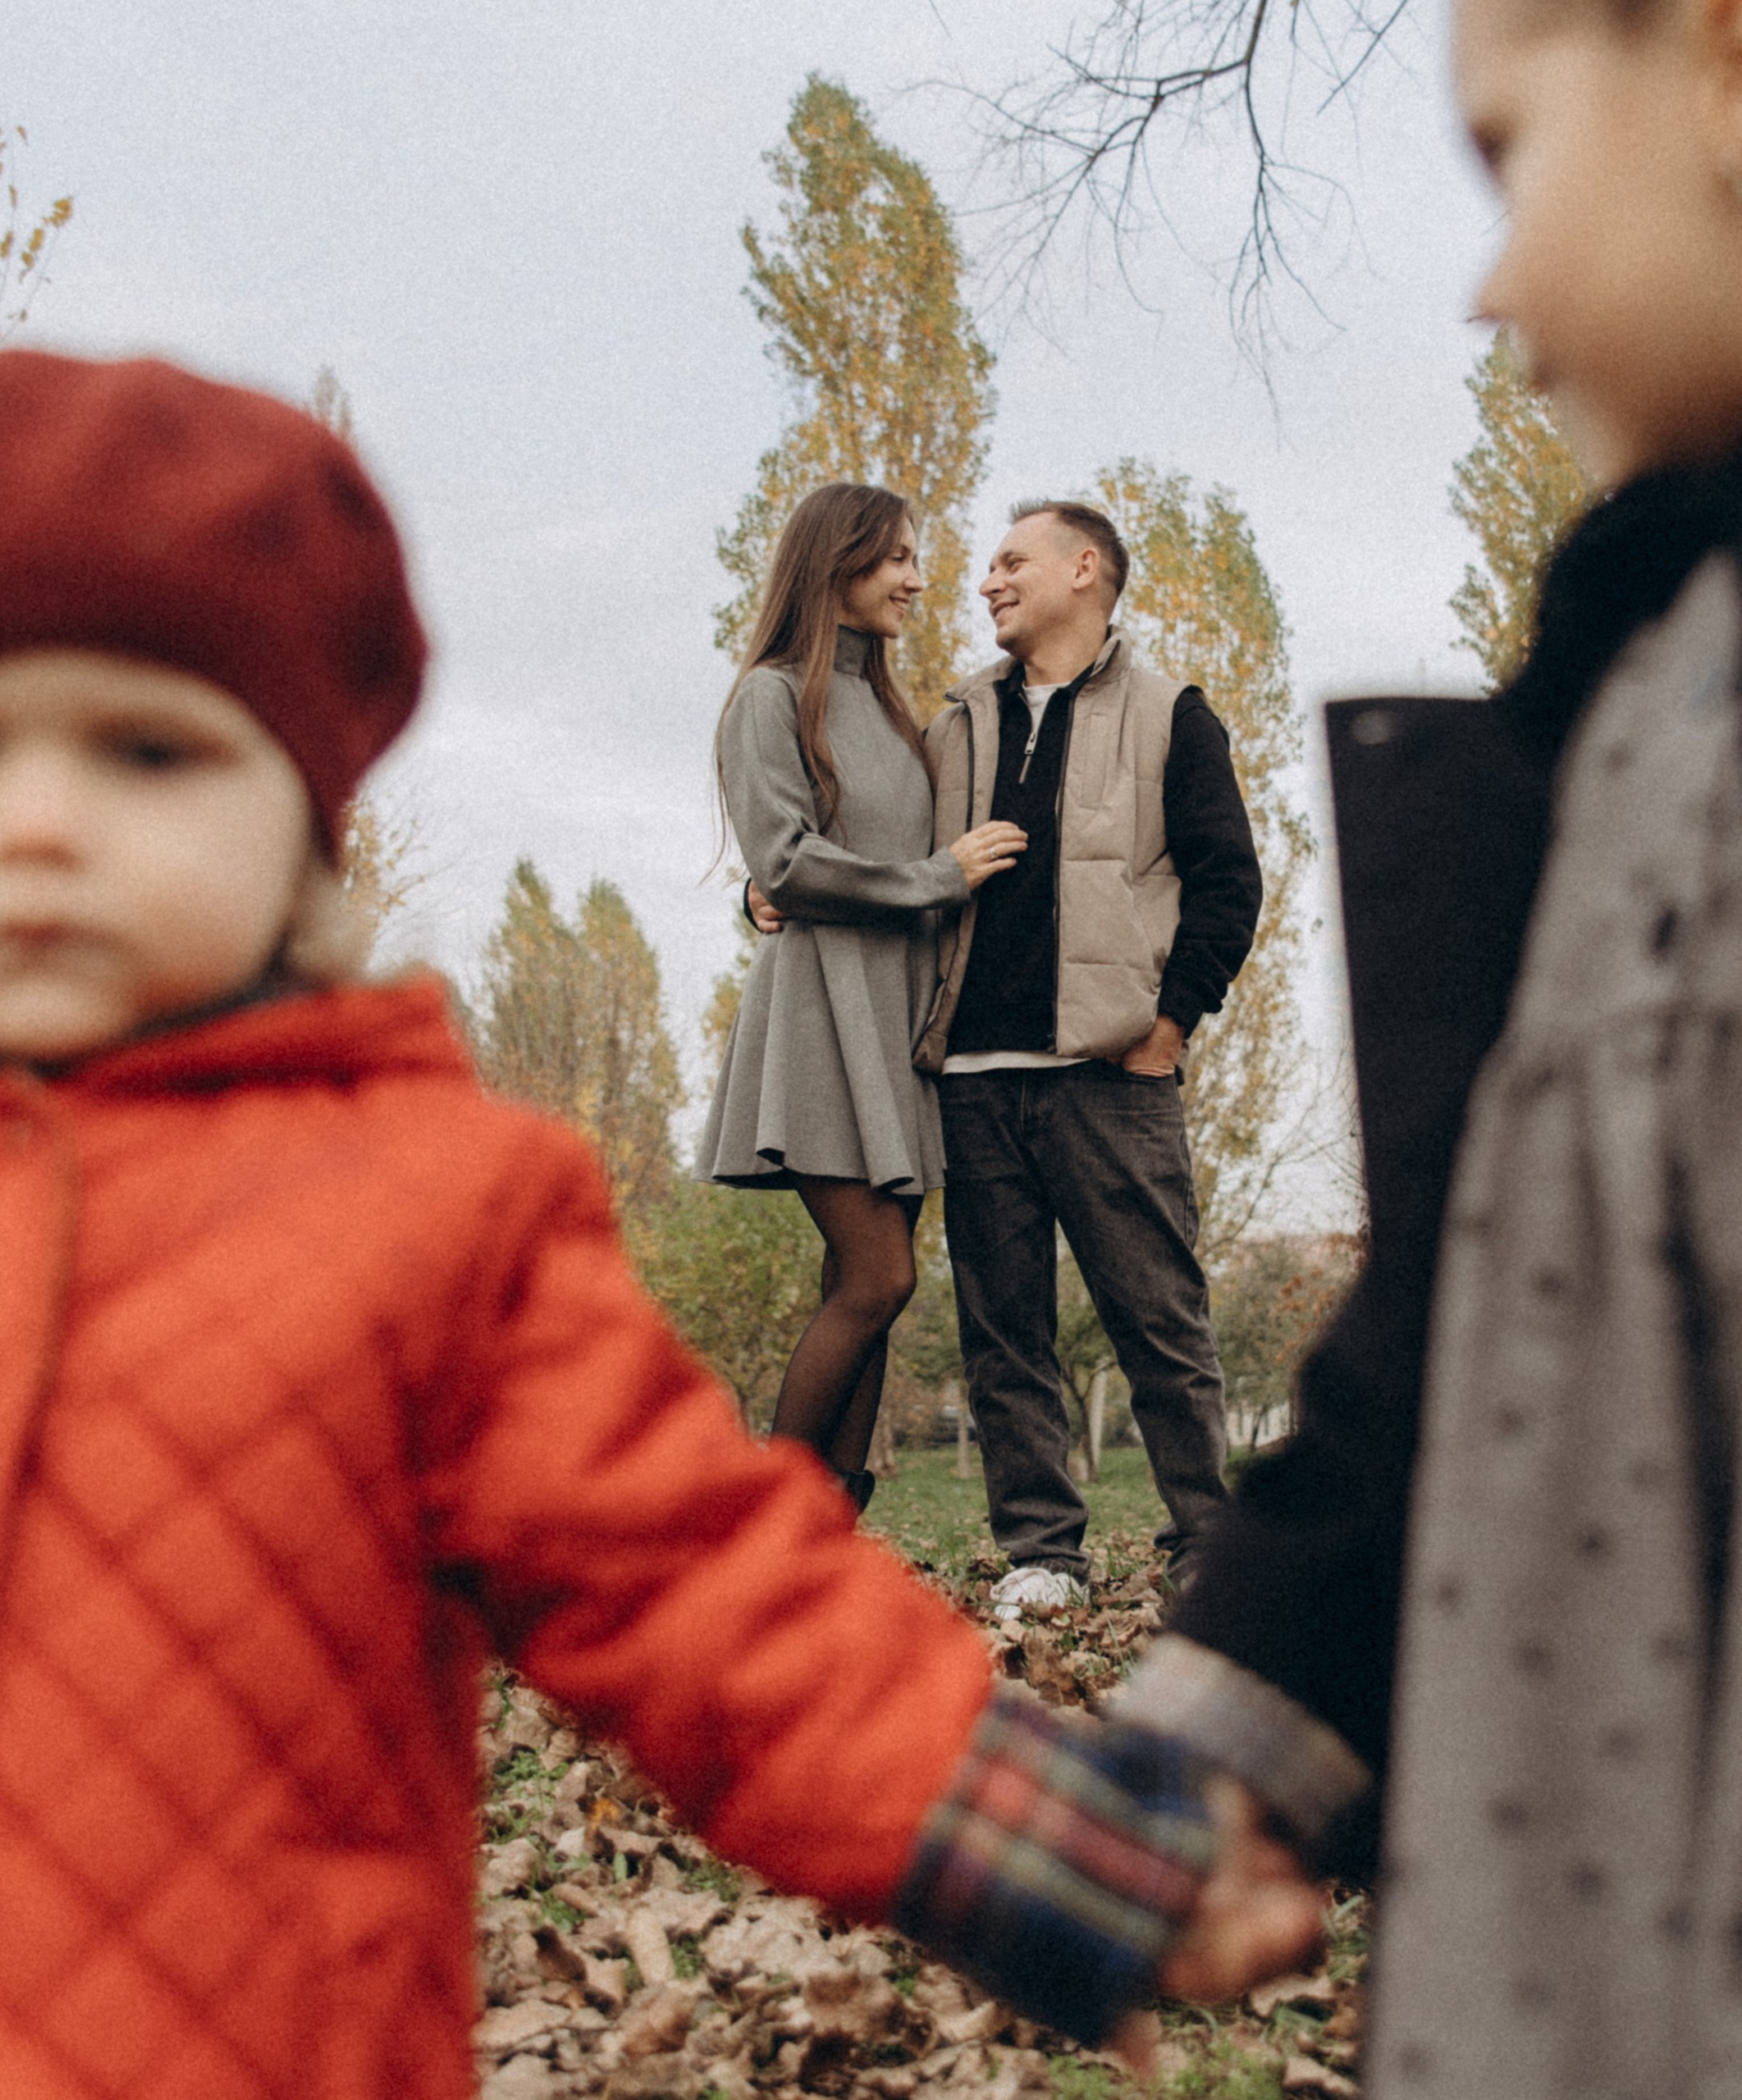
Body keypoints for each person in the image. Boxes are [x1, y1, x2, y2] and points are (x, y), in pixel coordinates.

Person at [0, 351, 1323, 2100]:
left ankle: (1076, 1513)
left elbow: (714, 1604)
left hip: (243, 2042)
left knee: (995, 1289)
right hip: (906, 1027)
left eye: (149, 749)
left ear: (311, 829)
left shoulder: (419, 1216)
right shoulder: (830, 703)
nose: (39, 820)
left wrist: (1070, 1859)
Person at [1113, 2, 1742, 2096]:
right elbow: (1479, 1250)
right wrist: (1245, 1708)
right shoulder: (1655, 658)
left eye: (1502, 155)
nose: (1483, 281)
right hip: (1619, 1899)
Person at [919, 501, 1263, 1618]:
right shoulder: (956, 723)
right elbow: (878, 852)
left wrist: (1169, 1027)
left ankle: (1208, 1543)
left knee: (1160, 1317)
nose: (989, 582)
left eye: (1010, 561)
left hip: (1109, 1077)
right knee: (1001, 1328)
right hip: (971, 1078)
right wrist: (769, 887)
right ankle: (1041, 1554)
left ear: (1086, 570)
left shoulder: (1174, 716)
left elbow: (1228, 886)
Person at [697, 482, 1024, 1510]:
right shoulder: (767, 696)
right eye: (894, 559)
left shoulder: (887, 706)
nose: (918, 580)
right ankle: (763, 1543)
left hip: (896, 1029)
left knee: (868, 1292)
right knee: (880, 1278)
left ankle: (825, 1547)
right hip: (819, 1020)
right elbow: (786, 860)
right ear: (832, 561)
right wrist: (939, 875)